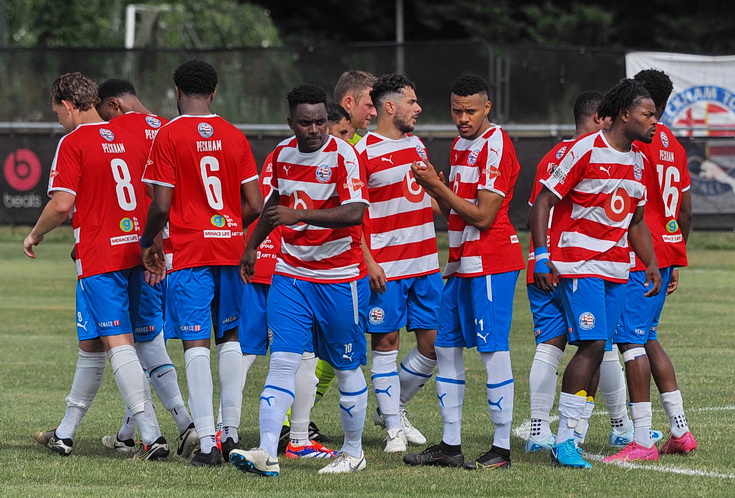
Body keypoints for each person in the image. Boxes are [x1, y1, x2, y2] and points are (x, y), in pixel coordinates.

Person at [26, 72, 168, 461]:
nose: (58, 119)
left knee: (117, 342)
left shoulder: (72, 141)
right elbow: (152, 194)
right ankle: (65, 432)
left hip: (100, 256)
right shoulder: (130, 134)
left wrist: (34, 235)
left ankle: (152, 436)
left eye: (58, 112)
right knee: (92, 344)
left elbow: (60, 204)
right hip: (136, 250)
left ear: (69, 106)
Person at [230, 83, 370, 476]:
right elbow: (272, 205)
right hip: (291, 275)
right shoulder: (280, 154)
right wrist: (252, 246)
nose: (315, 130)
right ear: (290, 121)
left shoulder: (345, 155)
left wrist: (302, 217)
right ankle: (266, 453)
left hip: (339, 278)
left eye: (321, 122)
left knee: (345, 366)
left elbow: (356, 211)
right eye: (305, 123)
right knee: (282, 362)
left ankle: (354, 452)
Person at [529, 78, 662, 469]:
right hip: (577, 264)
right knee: (591, 345)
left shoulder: (639, 161)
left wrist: (649, 261)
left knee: (600, 346)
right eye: (648, 114)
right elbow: (542, 203)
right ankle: (565, 439)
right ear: (624, 114)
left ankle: (574, 433)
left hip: (617, 268)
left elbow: (635, 222)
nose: (655, 122)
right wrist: (540, 255)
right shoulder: (583, 150)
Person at [140, 60, 262, 467]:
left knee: (196, 344)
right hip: (228, 249)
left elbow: (160, 204)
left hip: (189, 253)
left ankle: (207, 444)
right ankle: (230, 435)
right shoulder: (234, 136)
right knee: (230, 340)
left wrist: (147, 240)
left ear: (177, 90)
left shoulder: (168, 135)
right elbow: (257, 206)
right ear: (214, 92)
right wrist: (227, 229)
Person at [404, 73, 525, 470]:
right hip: (460, 262)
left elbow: (485, 216)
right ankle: (450, 445)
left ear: (487, 108)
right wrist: (435, 187)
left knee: (492, 351)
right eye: (456, 110)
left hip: (491, 260)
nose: (462, 118)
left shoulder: (496, 145)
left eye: (470, 110)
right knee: (446, 348)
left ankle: (502, 449)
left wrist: (436, 188)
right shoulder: (459, 146)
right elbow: (454, 210)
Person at [95, 78, 199, 460]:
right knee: (147, 343)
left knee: (141, 343)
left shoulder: (113, 133)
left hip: (146, 251)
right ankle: (130, 431)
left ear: (114, 104)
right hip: (186, 250)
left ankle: (183, 424)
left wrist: (149, 243)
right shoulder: (171, 128)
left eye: (103, 110)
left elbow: (143, 198)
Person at [609, 68, 697, 458]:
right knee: (645, 335)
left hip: (638, 254)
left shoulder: (635, 140)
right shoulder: (674, 146)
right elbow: (686, 209)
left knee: (630, 340)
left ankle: (642, 438)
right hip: (663, 252)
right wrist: (674, 255)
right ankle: (680, 430)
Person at [354, 73, 439, 453]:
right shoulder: (364, 152)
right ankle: (392, 429)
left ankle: (395, 407)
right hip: (387, 267)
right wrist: (368, 260)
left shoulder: (418, 144)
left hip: (426, 263)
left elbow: (428, 197)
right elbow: (353, 215)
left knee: (434, 345)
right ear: (390, 107)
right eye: (411, 102)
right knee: (386, 342)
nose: (418, 108)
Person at [525, 90, 613, 451]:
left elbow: (535, 207)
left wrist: (539, 255)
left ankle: (536, 431)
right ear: (597, 118)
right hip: (577, 265)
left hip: (542, 262)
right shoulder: (592, 153)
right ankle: (620, 425)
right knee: (598, 344)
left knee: (549, 347)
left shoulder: (552, 155)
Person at [334, 70, 378, 145]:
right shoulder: (322, 142)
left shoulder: (363, 145)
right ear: (349, 103)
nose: (375, 113)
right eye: (369, 106)